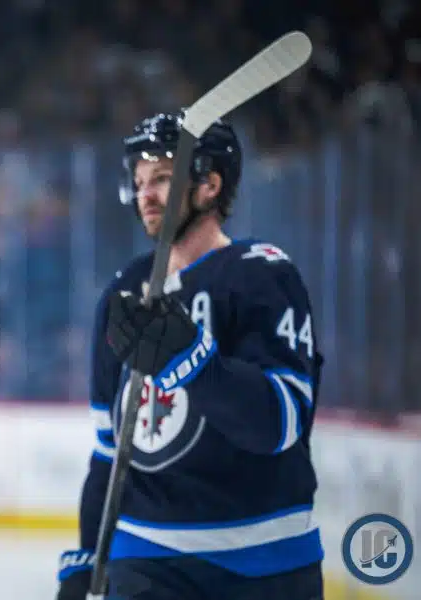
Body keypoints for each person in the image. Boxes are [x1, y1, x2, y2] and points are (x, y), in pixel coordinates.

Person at [56, 111, 325, 600]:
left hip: (266, 566)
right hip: (145, 561)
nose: (146, 195)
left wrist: (194, 359)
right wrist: (89, 554)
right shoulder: (124, 292)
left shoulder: (260, 275)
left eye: (161, 178)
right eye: (140, 181)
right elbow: (109, 452)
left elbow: (280, 424)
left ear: (209, 185)